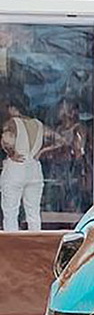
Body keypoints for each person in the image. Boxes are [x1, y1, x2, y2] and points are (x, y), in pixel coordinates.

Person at [1, 94, 47, 232]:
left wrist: (10, 153)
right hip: (34, 167)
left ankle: (13, 247)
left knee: (11, 212)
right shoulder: (38, 124)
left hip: (16, 167)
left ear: (13, 108)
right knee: (33, 212)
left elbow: (6, 140)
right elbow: (55, 140)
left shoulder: (12, 122)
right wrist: (40, 153)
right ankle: (35, 246)